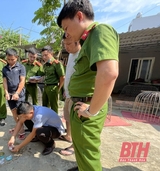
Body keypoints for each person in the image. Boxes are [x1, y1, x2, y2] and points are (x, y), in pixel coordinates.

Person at [57, 1, 119, 171]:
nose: (66, 33)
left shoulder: (101, 30)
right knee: (81, 149)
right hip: (80, 104)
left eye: (66, 27)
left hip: (86, 106)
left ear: (79, 16)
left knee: (88, 155)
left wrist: (92, 110)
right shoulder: (88, 39)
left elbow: (109, 74)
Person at [59, 35, 81, 156]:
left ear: (78, 42)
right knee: (67, 117)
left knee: (76, 121)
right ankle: (68, 136)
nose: (66, 47)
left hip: (77, 95)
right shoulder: (71, 55)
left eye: (69, 44)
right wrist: (65, 89)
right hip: (68, 93)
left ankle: (75, 146)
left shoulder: (82, 54)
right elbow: (69, 74)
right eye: (64, 44)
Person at [2, 48, 26, 140]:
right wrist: (6, 93)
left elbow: (22, 81)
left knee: (21, 113)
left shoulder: (21, 67)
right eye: (8, 59)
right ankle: (19, 128)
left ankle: (22, 130)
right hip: (10, 94)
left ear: (17, 57)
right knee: (14, 113)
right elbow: (4, 81)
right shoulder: (4, 69)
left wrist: (17, 93)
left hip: (19, 94)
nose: (11, 61)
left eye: (13, 59)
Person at [41, 45, 65, 113]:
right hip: (45, 87)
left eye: (46, 55)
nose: (44, 57)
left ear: (51, 54)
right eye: (43, 55)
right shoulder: (45, 65)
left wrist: (58, 88)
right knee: (44, 106)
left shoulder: (56, 64)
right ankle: (46, 121)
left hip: (53, 87)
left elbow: (62, 77)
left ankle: (55, 123)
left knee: (53, 107)